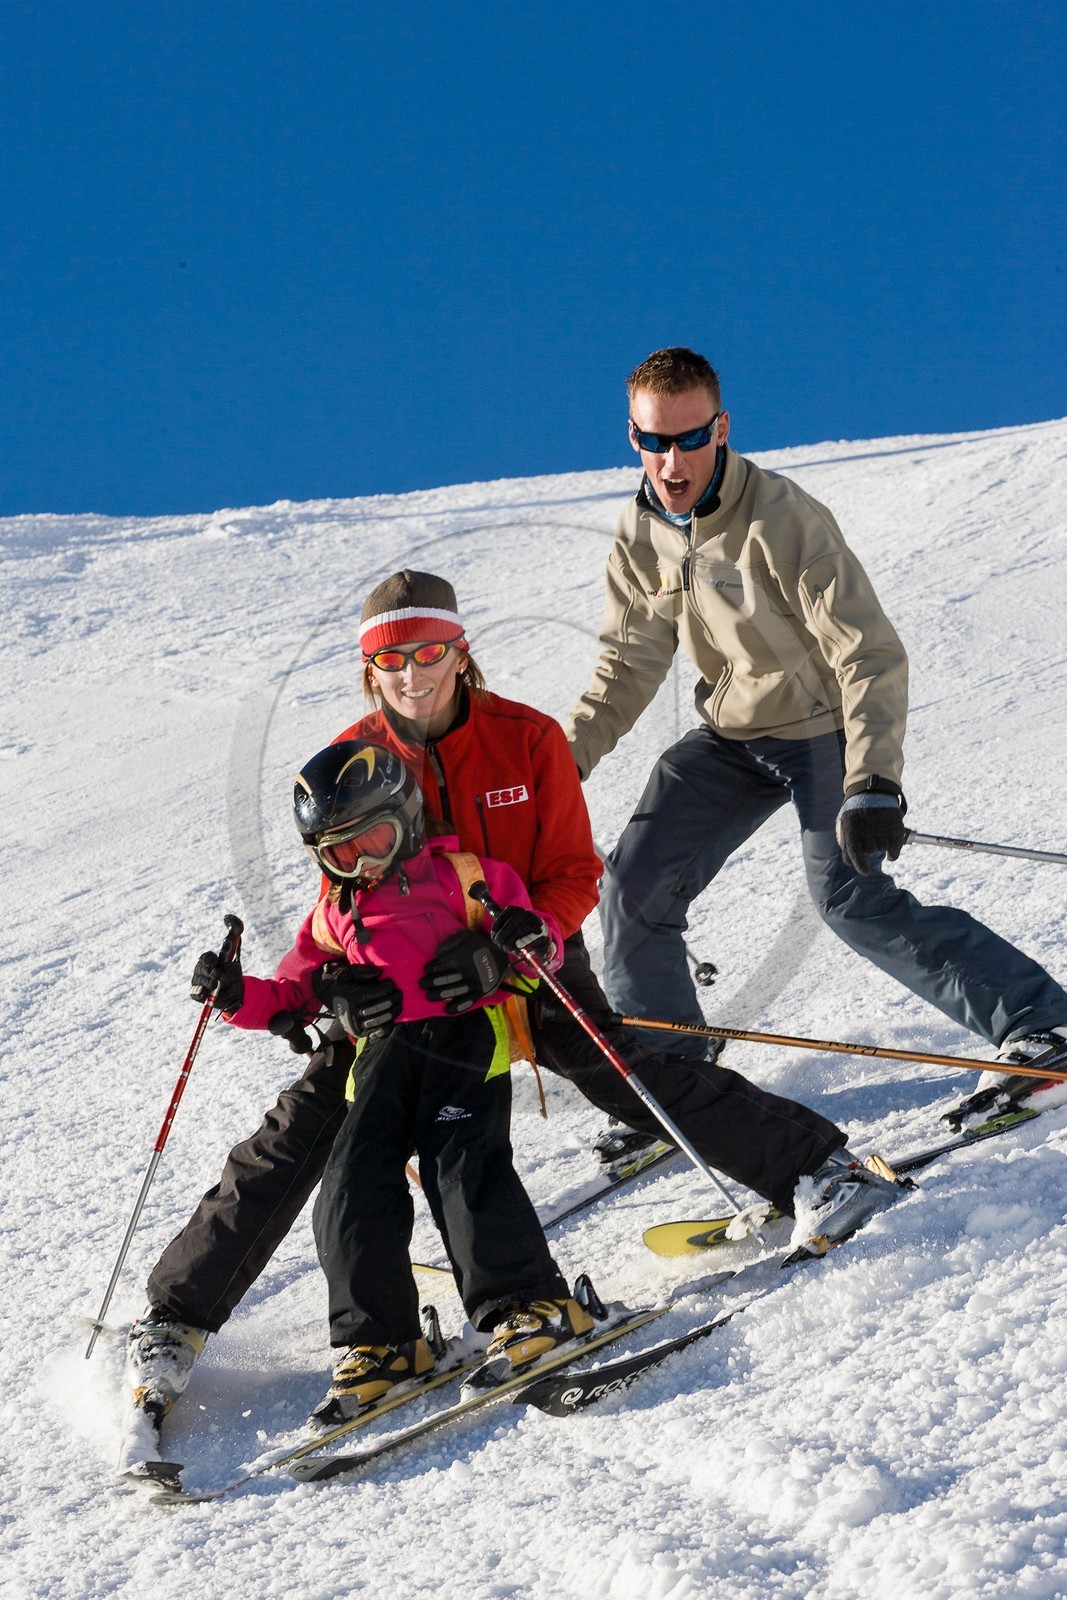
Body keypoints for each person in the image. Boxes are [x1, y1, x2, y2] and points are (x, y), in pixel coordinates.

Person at [124, 571, 883, 1418]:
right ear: (367, 669)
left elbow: (570, 873)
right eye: (388, 661)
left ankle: (818, 1168)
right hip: (401, 1000)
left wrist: (510, 953)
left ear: (460, 653)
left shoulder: (527, 740)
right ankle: (176, 1317)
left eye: (428, 655)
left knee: (618, 1070)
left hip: (521, 958)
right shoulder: (355, 754)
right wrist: (336, 989)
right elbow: (341, 902)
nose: (410, 675)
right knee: (306, 1126)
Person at [566, 346, 1067, 1107]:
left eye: (692, 438)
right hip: (732, 735)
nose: (673, 461)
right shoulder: (641, 533)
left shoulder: (780, 517)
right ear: (631, 437)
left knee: (847, 898)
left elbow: (866, 650)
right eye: (655, 441)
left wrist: (872, 782)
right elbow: (624, 668)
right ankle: (673, 1072)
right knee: (632, 888)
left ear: (721, 428)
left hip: (822, 727)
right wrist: (548, 770)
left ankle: (1041, 1022)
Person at [188, 737, 595, 1417]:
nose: (361, 861)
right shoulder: (331, 917)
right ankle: (383, 1343)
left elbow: (536, 951)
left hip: (466, 1040)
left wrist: (518, 945)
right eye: (339, 853)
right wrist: (234, 996)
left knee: (460, 1168)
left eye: (372, 838)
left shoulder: (473, 877)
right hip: (380, 1055)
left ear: (405, 816)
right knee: (348, 1187)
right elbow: (290, 996)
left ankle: (535, 1307)